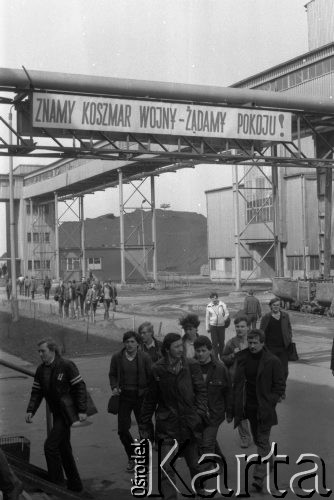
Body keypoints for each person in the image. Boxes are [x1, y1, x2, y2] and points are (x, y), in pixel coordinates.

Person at [140, 332, 208, 499]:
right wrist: (145, 423)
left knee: (194, 464)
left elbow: (201, 391)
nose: (181, 349)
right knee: (167, 467)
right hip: (167, 425)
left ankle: (199, 486)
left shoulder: (191, 365)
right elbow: (150, 399)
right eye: (176, 346)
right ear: (167, 349)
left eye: (181, 345)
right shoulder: (157, 369)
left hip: (188, 423)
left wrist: (198, 413)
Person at [25, 338, 87, 492]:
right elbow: (37, 392)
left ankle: (57, 485)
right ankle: (75, 485)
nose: (40, 354)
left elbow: (80, 387)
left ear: (52, 351)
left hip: (67, 413)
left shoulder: (66, 365)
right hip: (57, 412)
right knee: (64, 449)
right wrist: (30, 410)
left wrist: (82, 410)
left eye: (43, 351)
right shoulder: (40, 370)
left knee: (50, 447)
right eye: (38, 351)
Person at [233, 329, 285, 492]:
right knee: (259, 440)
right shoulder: (243, 357)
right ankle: (269, 462)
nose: (252, 345)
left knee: (262, 441)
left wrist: (270, 402)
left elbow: (280, 386)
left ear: (263, 343)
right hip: (248, 407)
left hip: (264, 409)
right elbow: (238, 381)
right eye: (250, 342)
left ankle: (258, 477)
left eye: (256, 343)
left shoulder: (273, 361)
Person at [109, 331, 152, 472]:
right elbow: (113, 374)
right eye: (127, 342)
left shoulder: (144, 357)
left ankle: (143, 458)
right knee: (122, 429)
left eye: (132, 342)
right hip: (124, 397)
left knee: (144, 428)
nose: (129, 344)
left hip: (141, 397)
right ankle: (132, 456)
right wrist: (114, 386)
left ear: (138, 344)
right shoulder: (117, 357)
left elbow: (151, 376)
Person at [194, 335, 233, 461]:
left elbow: (228, 392)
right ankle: (219, 461)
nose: (200, 354)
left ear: (210, 350)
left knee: (206, 444)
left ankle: (206, 472)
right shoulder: (190, 367)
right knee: (205, 440)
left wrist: (230, 412)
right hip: (197, 414)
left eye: (203, 351)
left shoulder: (220, 368)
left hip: (214, 414)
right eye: (198, 351)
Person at [222, 316, 252, 448]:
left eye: (242, 326)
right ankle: (245, 437)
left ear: (248, 327)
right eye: (237, 326)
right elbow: (223, 358)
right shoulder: (231, 342)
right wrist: (233, 355)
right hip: (237, 381)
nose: (240, 329)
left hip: (252, 381)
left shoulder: (254, 341)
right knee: (240, 410)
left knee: (253, 409)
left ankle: (257, 433)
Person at [260, 297, 292, 388]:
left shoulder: (285, 316)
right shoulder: (266, 317)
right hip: (270, 348)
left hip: (283, 348)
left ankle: (281, 388)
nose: (276, 307)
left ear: (280, 306)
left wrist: (289, 338)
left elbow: (289, 328)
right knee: (271, 369)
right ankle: (272, 387)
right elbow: (261, 332)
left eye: (278, 305)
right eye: (274, 305)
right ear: (270, 306)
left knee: (284, 371)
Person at [205, 292, 229, 359]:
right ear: (210, 299)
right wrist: (207, 327)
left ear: (217, 298)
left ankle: (222, 357)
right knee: (214, 343)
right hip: (213, 326)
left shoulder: (222, 304)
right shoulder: (209, 306)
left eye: (215, 298)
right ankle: (215, 358)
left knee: (221, 342)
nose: (214, 299)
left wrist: (223, 320)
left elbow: (227, 314)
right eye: (213, 298)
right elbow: (207, 317)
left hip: (221, 326)